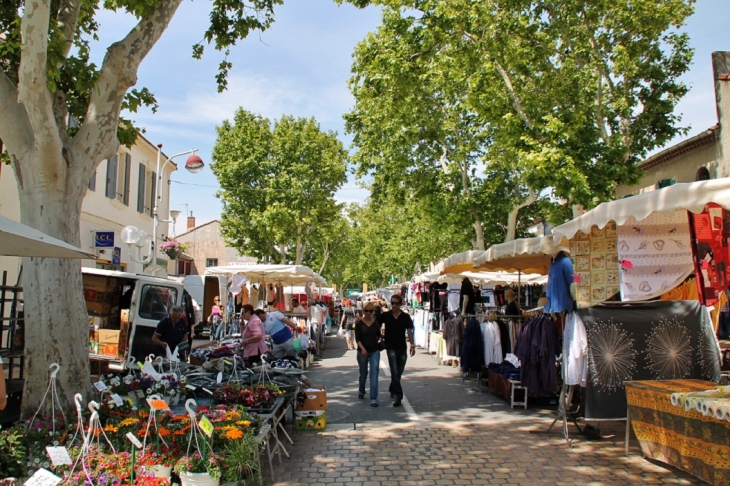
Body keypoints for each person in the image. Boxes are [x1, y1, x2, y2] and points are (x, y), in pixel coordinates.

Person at [380, 294, 415, 407]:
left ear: (400, 304)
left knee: (399, 372)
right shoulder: (386, 315)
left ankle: (392, 387)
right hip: (390, 347)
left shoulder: (405, 317)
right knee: (394, 371)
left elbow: (409, 330)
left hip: (402, 347)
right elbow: (374, 324)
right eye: (392, 303)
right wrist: (380, 337)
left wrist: (412, 345)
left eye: (396, 303)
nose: (394, 305)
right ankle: (398, 396)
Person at [355, 302, 383, 407]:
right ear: (363, 311)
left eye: (370, 311)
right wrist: (362, 349)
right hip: (362, 351)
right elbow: (357, 339)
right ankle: (361, 391)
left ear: (373, 312)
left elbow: (378, 335)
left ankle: (373, 398)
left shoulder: (375, 322)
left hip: (374, 350)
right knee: (363, 373)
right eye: (366, 310)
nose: (368, 313)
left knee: (374, 374)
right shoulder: (359, 322)